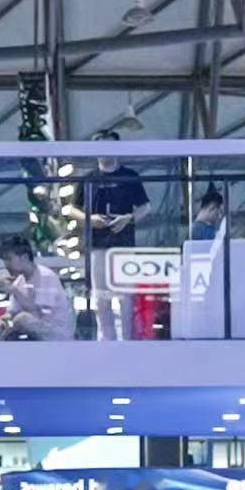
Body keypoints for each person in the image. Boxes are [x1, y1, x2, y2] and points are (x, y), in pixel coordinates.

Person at [83, 131, 152, 339]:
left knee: (126, 295)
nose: (106, 152)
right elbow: (72, 209)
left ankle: (127, 339)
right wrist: (91, 218)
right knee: (100, 296)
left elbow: (145, 207)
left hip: (123, 244)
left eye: (110, 146)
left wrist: (128, 218)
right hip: (98, 244)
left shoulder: (130, 177)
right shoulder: (88, 179)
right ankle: (106, 338)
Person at [0, 237, 74, 341]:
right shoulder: (20, 280)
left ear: (25, 257)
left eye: (9, 259)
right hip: (30, 331)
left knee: (22, 319)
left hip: (54, 334)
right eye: (4, 260)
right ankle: (0, 339)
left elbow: (39, 315)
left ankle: (1, 340)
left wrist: (15, 291)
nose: (6, 265)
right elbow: (12, 313)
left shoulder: (45, 277)